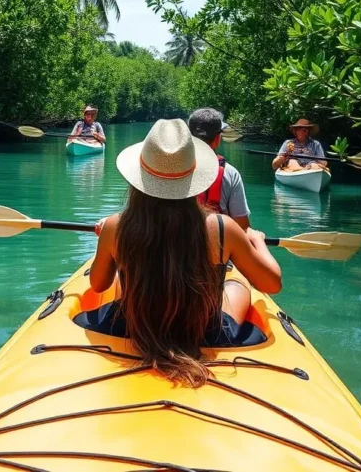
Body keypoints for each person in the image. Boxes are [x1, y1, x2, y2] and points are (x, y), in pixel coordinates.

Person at [86, 119, 282, 387]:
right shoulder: (222, 228)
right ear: (194, 178)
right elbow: (272, 283)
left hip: (131, 327)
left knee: (124, 279)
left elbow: (98, 284)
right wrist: (257, 241)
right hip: (205, 331)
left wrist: (108, 244)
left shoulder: (115, 226)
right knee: (240, 284)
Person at [187, 107, 251, 230]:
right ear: (217, 139)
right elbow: (242, 227)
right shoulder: (230, 173)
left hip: (177, 245)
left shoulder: (172, 167)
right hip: (218, 245)